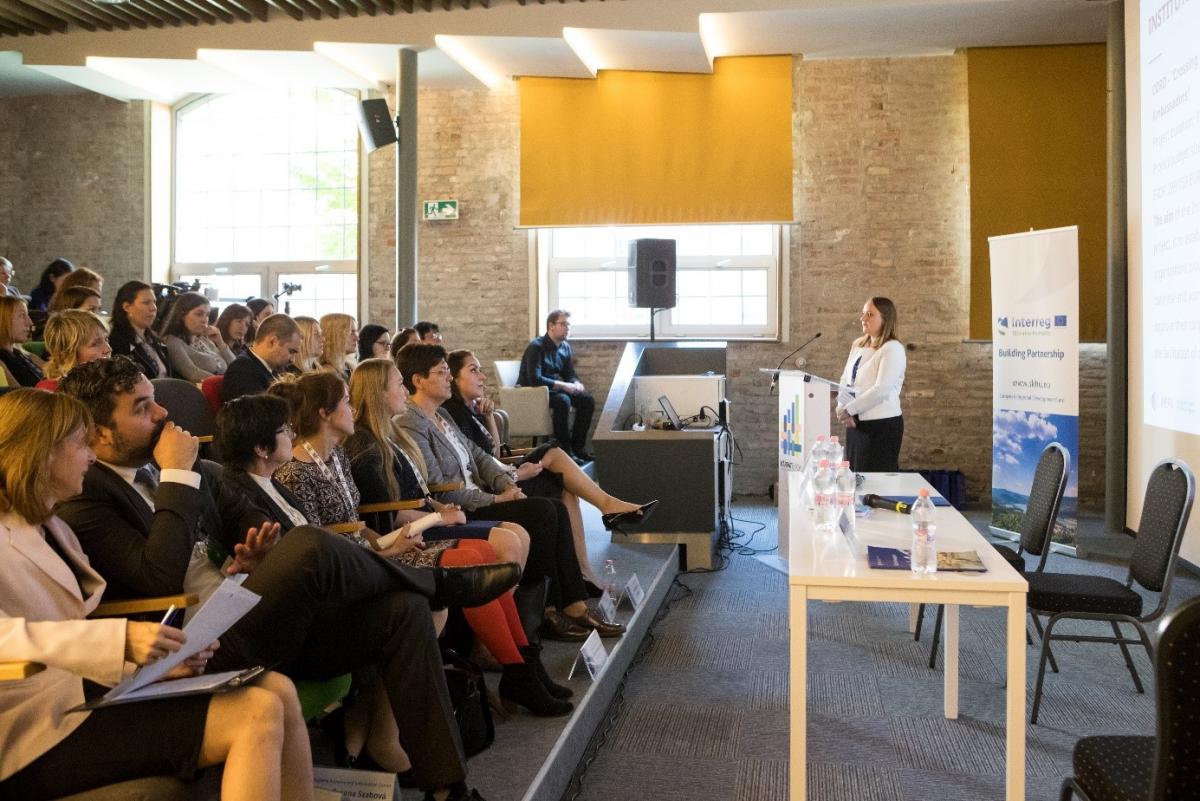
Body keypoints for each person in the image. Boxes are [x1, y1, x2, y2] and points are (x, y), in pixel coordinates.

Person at [56, 358, 515, 801]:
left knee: (403, 610)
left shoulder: (182, 468)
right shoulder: (87, 495)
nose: (162, 414)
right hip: (191, 651)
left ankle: (447, 787)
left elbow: (254, 520)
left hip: (247, 615)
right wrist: (176, 474)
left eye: (155, 400)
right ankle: (438, 583)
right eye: (142, 408)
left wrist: (258, 550)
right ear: (98, 431)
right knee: (311, 543)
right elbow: (157, 578)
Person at [0, 388, 315, 801]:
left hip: (80, 693)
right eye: (80, 444)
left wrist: (146, 667)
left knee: (279, 690)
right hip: (28, 725)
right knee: (256, 713)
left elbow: (67, 636)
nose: (92, 457)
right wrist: (122, 642)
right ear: (39, 453)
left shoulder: (49, 526)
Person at [270, 371, 572, 718]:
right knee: (473, 558)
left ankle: (523, 661)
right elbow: (318, 547)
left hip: (374, 550)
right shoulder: (296, 471)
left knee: (487, 554)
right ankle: (518, 670)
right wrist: (387, 548)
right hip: (354, 568)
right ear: (325, 413)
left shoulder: (335, 457)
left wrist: (388, 541)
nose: (353, 409)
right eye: (346, 402)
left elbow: (357, 523)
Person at [398, 343, 623, 641]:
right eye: (442, 373)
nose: (448, 378)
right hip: (463, 506)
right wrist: (497, 497)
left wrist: (507, 484)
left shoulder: (442, 416)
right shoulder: (411, 423)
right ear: (418, 380)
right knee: (544, 510)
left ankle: (573, 605)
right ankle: (549, 610)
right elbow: (441, 490)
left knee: (552, 507)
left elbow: (481, 456)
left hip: (482, 493)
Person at [445, 349, 655, 588]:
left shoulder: (471, 410)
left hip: (501, 474)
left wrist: (489, 416)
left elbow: (495, 454)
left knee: (564, 485)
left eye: (481, 370)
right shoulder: (454, 413)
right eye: (473, 370)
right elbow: (487, 463)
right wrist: (518, 473)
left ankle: (584, 572)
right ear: (454, 378)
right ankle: (607, 508)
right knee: (553, 453)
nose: (482, 377)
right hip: (494, 488)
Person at [836, 296, 907, 472]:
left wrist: (849, 410)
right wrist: (841, 407)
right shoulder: (858, 344)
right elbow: (846, 380)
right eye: (863, 313)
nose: (863, 318)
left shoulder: (893, 348)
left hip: (881, 426)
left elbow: (881, 389)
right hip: (854, 423)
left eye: (870, 314)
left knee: (876, 478)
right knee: (854, 475)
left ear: (885, 319)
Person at [518, 309, 594, 464]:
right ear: (551, 326)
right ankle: (566, 452)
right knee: (563, 400)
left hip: (552, 390)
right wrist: (563, 385)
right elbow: (534, 379)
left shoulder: (565, 347)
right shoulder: (536, 347)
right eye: (563, 324)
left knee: (587, 400)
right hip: (534, 392)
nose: (567, 328)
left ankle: (578, 448)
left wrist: (576, 383)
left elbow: (569, 374)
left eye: (569, 325)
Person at [220, 313, 302, 403]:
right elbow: (259, 411)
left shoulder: (272, 369)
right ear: (272, 342)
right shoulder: (241, 371)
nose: (292, 360)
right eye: (291, 351)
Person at [160, 291, 237, 382]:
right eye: (199, 314)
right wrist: (228, 382)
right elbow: (192, 373)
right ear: (182, 315)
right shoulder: (173, 341)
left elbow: (236, 366)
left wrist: (220, 342)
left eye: (207, 315)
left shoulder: (204, 340)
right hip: (205, 388)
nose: (205, 320)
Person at [107, 281, 171, 379]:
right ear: (127, 307)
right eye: (146, 303)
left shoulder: (154, 339)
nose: (153, 308)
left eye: (154, 302)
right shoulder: (116, 342)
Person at [36, 310, 112, 391]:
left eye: (106, 339)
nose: (108, 349)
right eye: (95, 344)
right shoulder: (51, 391)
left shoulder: (108, 381)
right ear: (67, 353)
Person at [0, 297, 46, 387]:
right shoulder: (1, 364)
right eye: (21, 316)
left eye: (27, 315)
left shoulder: (22, 353)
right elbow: (19, 394)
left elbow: (57, 373)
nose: (30, 322)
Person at [319, 313, 358, 378]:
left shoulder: (347, 366)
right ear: (335, 335)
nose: (357, 338)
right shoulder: (327, 373)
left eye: (356, 332)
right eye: (351, 332)